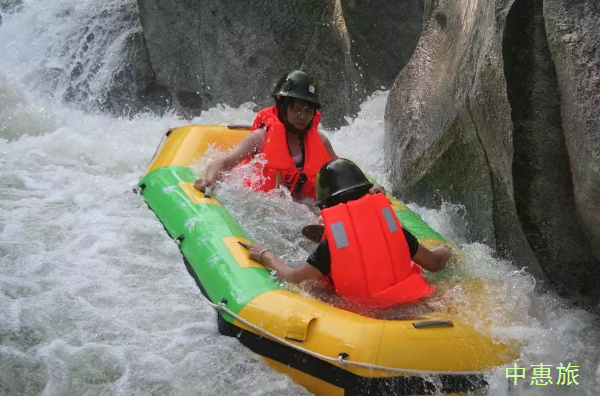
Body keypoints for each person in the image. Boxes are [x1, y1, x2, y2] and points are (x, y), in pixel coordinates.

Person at [247, 159, 453, 306]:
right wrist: (445, 250)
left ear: (326, 207)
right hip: (413, 305)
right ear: (367, 194)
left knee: (312, 285)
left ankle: (326, 234)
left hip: (363, 318)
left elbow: (293, 278)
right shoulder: (396, 232)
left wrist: (267, 255)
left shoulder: (330, 248)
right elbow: (435, 263)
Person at [194, 70, 337, 199]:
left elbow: (341, 173)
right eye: (296, 109)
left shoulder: (321, 140)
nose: (302, 116)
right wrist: (209, 180)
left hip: (302, 205)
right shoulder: (260, 138)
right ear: (282, 107)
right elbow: (224, 162)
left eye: (308, 111)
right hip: (262, 203)